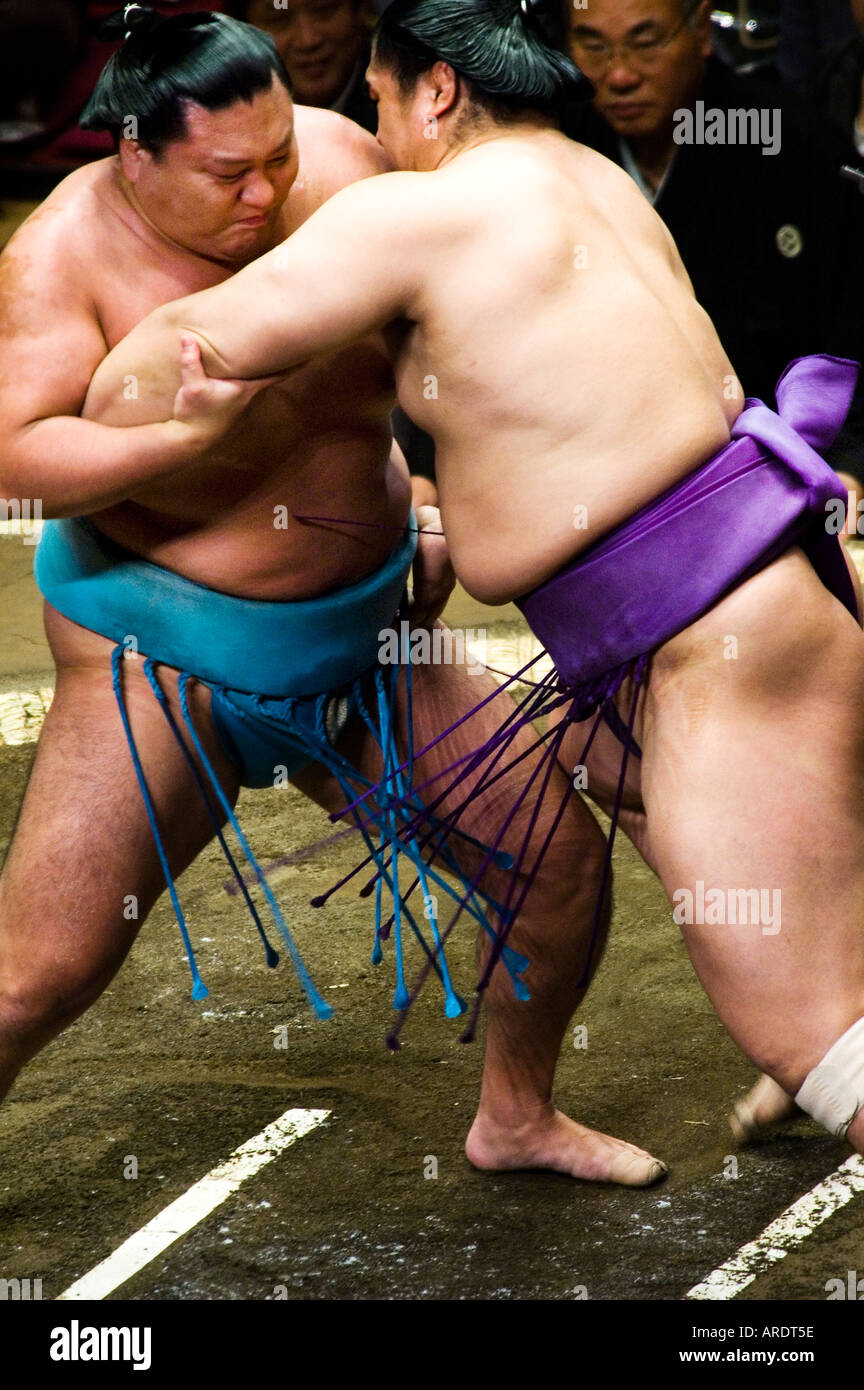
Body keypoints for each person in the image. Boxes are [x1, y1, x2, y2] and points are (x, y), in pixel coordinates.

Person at [81, 0, 864, 1157]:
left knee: (801, 1026)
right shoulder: (590, 175)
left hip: (715, 652)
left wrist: (90, 366)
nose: (377, 133)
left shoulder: (421, 210)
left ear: (435, 88)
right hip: (772, 600)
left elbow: (185, 354)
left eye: (382, 103)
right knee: (612, 781)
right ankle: (581, 1095)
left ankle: (826, 1043)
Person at [0, 5, 666, 1189]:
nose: (264, 197)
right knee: (35, 969)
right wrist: (173, 443)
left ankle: (515, 1115)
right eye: (227, 174)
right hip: (164, 648)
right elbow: (16, 450)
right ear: (134, 152)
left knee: (554, 867)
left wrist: (439, 490)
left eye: (278, 158)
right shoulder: (60, 257)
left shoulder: (349, 169)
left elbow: (458, 336)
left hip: (368, 630)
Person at [561, 0, 864, 500]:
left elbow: (853, 321)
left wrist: (850, 463)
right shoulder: (557, 151)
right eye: (592, 45)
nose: (618, 75)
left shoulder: (788, 140)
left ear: (701, 28)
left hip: (783, 470)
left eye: (645, 42)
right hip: (600, 484)